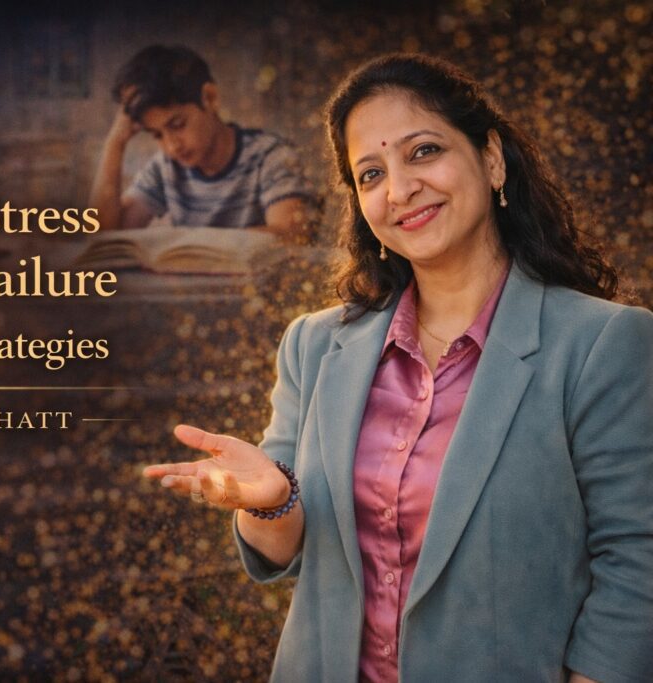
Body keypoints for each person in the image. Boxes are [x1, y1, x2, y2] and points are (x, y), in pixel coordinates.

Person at [142, 53, 653, 683]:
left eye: (423, 151)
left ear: (491, 159)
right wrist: (270, 502)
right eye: (371, 173)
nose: (399, 189)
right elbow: (284, 554)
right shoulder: (314, 344)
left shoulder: (603, 343)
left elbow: (638, 562)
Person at [89, 44, 316, 241]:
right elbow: (104, 237)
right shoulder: (167, 166)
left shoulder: (271, 156)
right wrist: (115, 142)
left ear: (210, 98)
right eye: (157, 135)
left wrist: (185, 241)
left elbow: (294, 235)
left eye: (177, 125)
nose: (171, 146)